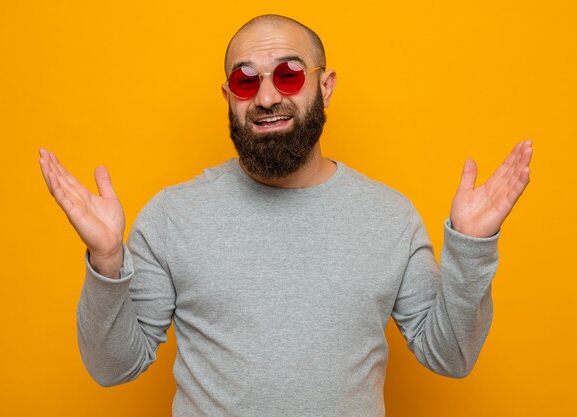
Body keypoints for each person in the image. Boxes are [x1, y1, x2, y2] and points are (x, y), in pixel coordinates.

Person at [38, 14, 532, 417]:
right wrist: (106, 262)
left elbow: (450, 355)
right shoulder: (173, 216)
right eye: (245, 80)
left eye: (290, 74)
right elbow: (111, 367)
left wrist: (470, 249)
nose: (268, 97)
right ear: (229, 96)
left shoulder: (389, 217)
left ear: (327, 85)